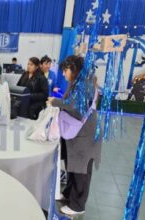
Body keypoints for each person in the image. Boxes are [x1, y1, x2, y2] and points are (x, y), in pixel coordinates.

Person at [47, 55, 102, 216]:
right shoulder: (81, 83)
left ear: (74, 69)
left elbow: (73, 106)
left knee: (81, 170)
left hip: (85, 136)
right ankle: (70, 195)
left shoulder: (84, 85)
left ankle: (78, 205)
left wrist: (54, 102)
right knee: (73, 167)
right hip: (79, 134)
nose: (64, 74)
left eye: (65, 70)